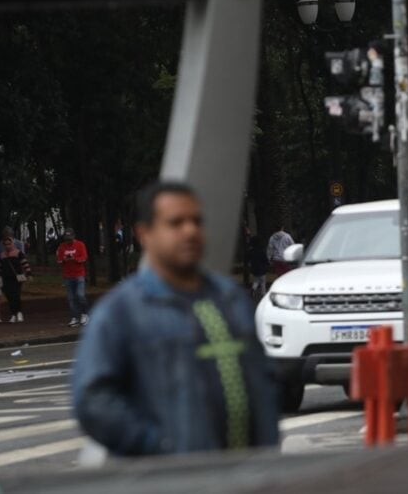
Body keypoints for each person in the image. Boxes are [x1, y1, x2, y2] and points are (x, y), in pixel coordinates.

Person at [70, 182, 279, 456]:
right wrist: (158, 446)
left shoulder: (231, 299)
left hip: (250, 476)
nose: (190, 231)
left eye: (196, 221)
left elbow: (261, 379)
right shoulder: (122, 311)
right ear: (144, 234)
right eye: (175, 222)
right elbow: (93, 401)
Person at [56, 228, 90, 327]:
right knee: (71, 298)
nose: (68, 241)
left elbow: (84, 258)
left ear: (74, 237)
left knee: (81, 295)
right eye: (67, 239)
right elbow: (59, 260)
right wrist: (64, 259)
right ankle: (74, 317)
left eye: (70, 239)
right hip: (68, 275)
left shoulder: (80, 245)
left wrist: (74, 258)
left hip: (79, 274)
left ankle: (85, 314)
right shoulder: (62, 247)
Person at [0, 237, 31, 323]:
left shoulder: (18, 253)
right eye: (6, 244)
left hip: (17, 277)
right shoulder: (2, 254)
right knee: (9, 296)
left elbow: (24, 263)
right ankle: (13, 314)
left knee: (16, 294)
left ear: (12, 244)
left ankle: (18, 312)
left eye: (9, 244)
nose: (7, 246)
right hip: (6, 278)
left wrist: (29, 274)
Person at [248, 235, 270, 299]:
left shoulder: (251, 251)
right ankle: (263, 293)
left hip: (254, 268)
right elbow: (265, 259)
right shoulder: (261, 250)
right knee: (263, 281)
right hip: (262, 268)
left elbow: (249, 259)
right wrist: (268, 264)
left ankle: (253, 288)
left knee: (256, 280)